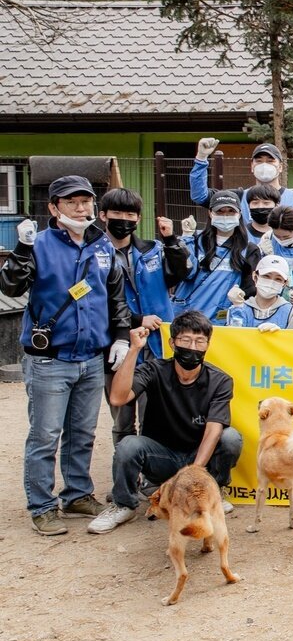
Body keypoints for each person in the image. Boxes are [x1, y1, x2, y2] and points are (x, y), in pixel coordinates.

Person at [1, 175, 134, 535]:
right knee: (45, 434)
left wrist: (120, 337)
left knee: (83, 432)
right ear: (53, 208)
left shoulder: (102, 246)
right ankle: (42, 505)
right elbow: (11, 284)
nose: (80, 207)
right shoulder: (40, 244)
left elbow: (115, 297)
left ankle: (77, 494)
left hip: (91, 357)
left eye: (86, 201)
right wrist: (21, 250)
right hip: (50, 359)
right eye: (71, 201)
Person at [89, 310, 241, 534]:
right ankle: (124, 505)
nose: (193, 347)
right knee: (129, 445)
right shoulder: (154, 370)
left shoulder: (220, 380)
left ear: (208, 345)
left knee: (231, 437)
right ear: (172, 342)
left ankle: (211, 493)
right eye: (186, 340)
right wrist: (134, 350)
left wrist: (194, 474)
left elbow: (213, 430)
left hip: (197, 458)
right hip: (162, 456)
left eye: (200, 341)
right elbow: (118, 397)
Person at [98, 187, 189, 447]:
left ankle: (151, 478)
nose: (123, 219)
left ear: (138, 218)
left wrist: (171, 240)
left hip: (157, 343)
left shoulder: (152, 250)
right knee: (122, 419)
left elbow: (179, 274)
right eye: (116, 212)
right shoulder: (94, 255)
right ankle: (124, 478)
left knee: (155, 414)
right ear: (103, 215)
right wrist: (137, 320)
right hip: (118, 345)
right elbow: (97, 303)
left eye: (130, 214)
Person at [171, 189, 261, 322]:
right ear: (210, 213)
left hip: (221, 322)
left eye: (231, 211)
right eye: (220, 211)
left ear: (239, 214)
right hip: (186, 318)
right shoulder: (194, 241)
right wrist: (185, 239)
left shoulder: (248, 249)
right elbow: (184, 273)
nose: (225, 216)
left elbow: (250, 289)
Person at [190, 138, 293, 221]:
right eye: (259, 161)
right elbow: (200, 196)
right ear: (252, 166)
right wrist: (201, 158)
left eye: (270, 161)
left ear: (280, 166)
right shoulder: (238, 197)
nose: (264, 165)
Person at [225, 255, 293, 331]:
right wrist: (237, 308)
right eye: (266, 276)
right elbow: (234, 339)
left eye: (278, 279)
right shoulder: (240, 308)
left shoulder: (292, 313)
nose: (271, 282)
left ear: (285, 284)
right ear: (255, 277)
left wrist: (280, 336)